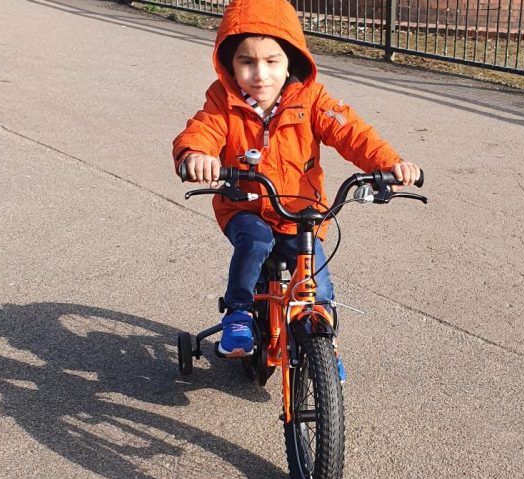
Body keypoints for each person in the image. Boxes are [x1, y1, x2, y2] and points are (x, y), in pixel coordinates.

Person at [172, 0, 420, 358]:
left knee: (316, 287)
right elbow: (202, 131)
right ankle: (238, 313)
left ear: (291, 59)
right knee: (255, 241)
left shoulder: (312, 98)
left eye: (272, 61)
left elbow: (352, 132)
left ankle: (324, 348)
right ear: (230, 63)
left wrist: (391, 165)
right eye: (247, 62)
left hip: (301, 211)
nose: (260, 74)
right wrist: (196, 156)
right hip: (245, 205)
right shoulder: (223, 100)